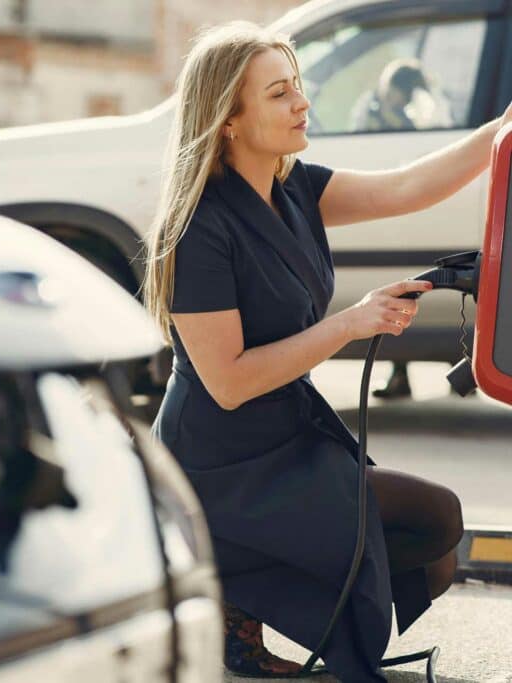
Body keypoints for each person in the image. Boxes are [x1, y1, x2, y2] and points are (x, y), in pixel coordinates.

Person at [143, 22, 508, 680]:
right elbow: (226, 382)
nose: (302, 104)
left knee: (436, 533)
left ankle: (233, 594)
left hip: (287, 436)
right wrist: (352, 324)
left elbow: (405, 188)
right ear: (228, 117)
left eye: (298, 88)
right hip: (222, 464)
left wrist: (499, 133)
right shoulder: (197, 225)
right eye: (279, 93)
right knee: (431, 519)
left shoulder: (296, 188)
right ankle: (226, 574)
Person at [350, 58, 432, 132]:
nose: (399, 103)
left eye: (404, 102)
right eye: (389, 95)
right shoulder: (368, 106)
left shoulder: (407, 120)